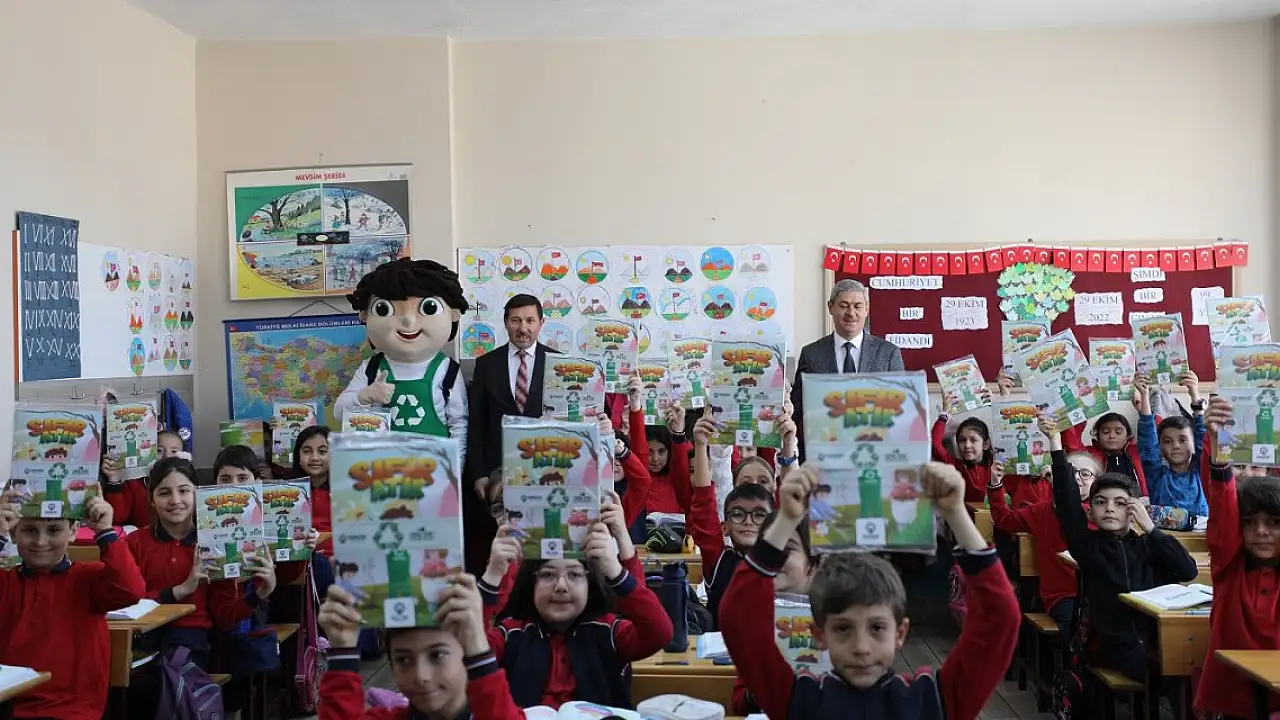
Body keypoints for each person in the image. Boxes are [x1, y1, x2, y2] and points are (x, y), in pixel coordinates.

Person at [721, 462, 1019, 719]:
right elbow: (738, 617)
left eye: (877, 628)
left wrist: (956, 513)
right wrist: (786, 519)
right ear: (819, 634)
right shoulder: (799, 700)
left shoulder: (931, 702)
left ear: (900, 633)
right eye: (843, 629)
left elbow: (1000, 619)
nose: (861, 647)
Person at [1044, 413, 1198, 681]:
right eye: (1100, 502)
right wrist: (1055, 443)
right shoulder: (1087, 546)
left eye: (1120, 503)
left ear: (1134, 510)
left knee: (1187, 668)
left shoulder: (1146, 545)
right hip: (1110, 643)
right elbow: (1067, 502)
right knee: (1168, 675)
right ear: (1089, 512)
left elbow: (1188, 570)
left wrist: (1151, 529)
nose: (1110, 509)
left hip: (1149, 639)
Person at [482, 512, 673, 708]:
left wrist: (615, 572)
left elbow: (660, 632)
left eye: (574, 575)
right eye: (548, 575)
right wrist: (493, 574)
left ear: (590, 586)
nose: (561, 586)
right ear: (532, 584)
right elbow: (467, 652)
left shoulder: (609, 631)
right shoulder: (511, 633)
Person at [0, 492, 144, 720]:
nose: (40, 542)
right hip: (9, 706)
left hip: (71, 710)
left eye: (54, 530)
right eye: (29, 530)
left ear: (74, 531)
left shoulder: (89, 579)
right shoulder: (6, 582)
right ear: (13, 533)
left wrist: (105, 532)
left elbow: (131, 590)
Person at [125, 458, 277, 669]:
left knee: (172, 666)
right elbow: (125, 603)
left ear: (198, 494)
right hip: (141, 635)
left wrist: (260, 593)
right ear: (151, 499)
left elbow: (224, 618)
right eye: (164, 493)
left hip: (190, 640)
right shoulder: (134, 542)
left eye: (184, 491)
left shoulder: (215, 543)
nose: (175, 500)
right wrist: (180, 591)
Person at [317, 579, 525, 720]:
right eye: (403, 660)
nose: (421, 676)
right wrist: (342, 653)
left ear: (466, 654)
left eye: (437, 655)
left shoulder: (500, 713)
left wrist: (480, 653)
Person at [1193, 398, 1280, 719]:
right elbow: (1223, 502)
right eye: (1250, 523)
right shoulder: (1230, 566)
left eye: (1274, 523)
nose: (1262, 532)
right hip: (1235, 702)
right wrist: (1217, 442)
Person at [463, 293, 555, 573]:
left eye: (529, 320)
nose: (522, 328)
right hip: (497, 479)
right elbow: (476, 424)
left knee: (537, 554)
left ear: (541, 323)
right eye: (516, 320)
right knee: (499, 553)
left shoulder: (558, 364)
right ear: (505, 323)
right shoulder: (486, 364)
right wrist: (479, 473)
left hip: (544, 473)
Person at [335, 258, 469, 446]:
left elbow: (459, 423)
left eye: (428, 308)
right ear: (365, 316)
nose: (408, 321)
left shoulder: (447, 370)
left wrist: (456, 462)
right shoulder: (371, 368)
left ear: (453, 313)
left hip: (434, 461)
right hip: (384, 461)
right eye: (383, 309)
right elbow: (339, 413)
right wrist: (364, 397)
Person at [792, 279, 905, 460]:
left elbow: (900, 409)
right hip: (824, 455)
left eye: (857, 306)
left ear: (866, 309)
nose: (851, 313)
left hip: (875, 455)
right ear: (831, 307)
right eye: (844, 306)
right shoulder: (811, 354)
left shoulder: (889, 353)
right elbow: (798, 410)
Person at [689, 411, 777, 627]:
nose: (748, 521)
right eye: (738, 514)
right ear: (724, 527)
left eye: (759, 515)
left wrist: (788, 445)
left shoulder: (782, 558)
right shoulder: (719, 559)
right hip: (722, 648)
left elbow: (794, 506)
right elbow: (703, 500)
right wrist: (700, 445)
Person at [987, 455, 1091, 638]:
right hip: (1063, 596)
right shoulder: (1041, 511)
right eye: (1071, 473)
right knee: (1074, 626)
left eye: (1085, 474)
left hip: (1096, 594)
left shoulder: (1099, 515)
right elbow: (1004, 520)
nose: (1076, 479)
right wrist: (996, 484)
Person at [1135, 372, 1208, 523]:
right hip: (1164, 537)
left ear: (1193, 444)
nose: (1175, 446)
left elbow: (1204, 438)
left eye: (1182, 440)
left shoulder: (1201, 472)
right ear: (1160, 448)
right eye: (1167, 441)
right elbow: (1148, 442)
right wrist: (1144, 395)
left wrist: (1194, 393)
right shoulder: (1157, 476)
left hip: (1201, 537)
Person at [1062, 412, 1148, 495]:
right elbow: (1072, 444)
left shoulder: (1139, 453)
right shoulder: (1090, 456)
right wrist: (1078, 414)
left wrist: (1144, 412)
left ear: (1128, 436)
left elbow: (1150, 436)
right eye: (1106, 432)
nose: (1112, 436)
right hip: (1102, 502)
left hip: (1140, 501)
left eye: (1118, 432)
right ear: (1098, 436)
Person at [932, 412, 995, 503]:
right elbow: (935, 445)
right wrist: (943, 417)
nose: (967, 445)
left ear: (986, 444)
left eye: (973, 440)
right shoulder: (955, 466)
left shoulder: (995, 466)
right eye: (962, 440)